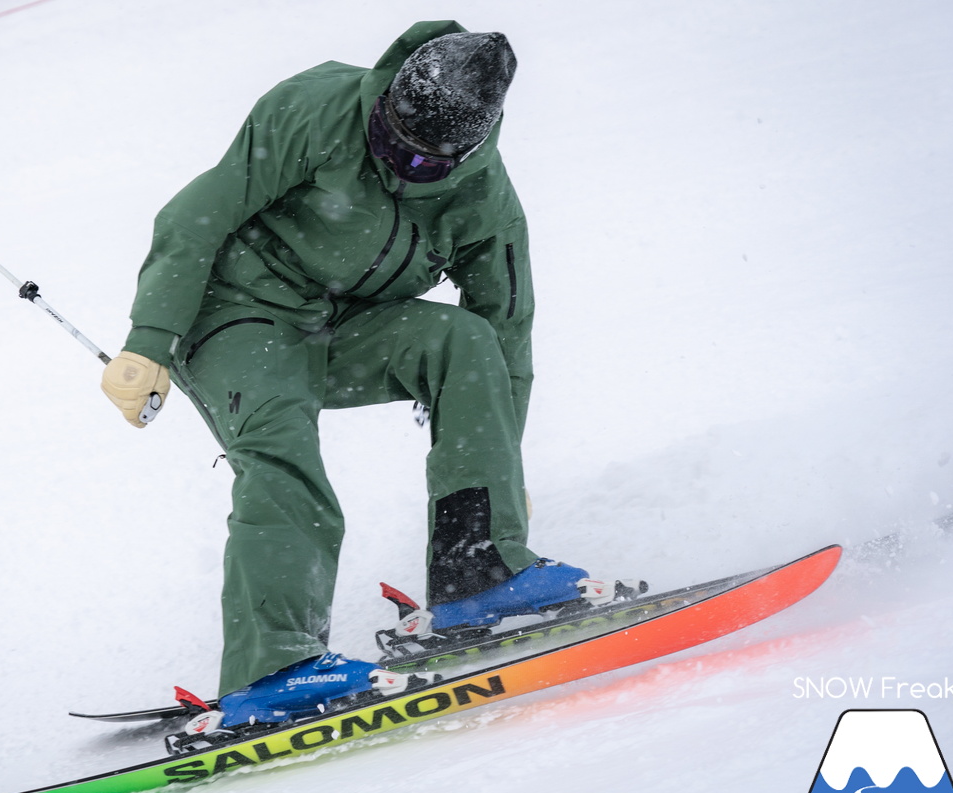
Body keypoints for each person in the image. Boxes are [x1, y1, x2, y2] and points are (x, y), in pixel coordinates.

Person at [101, 22, 610, 735]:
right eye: (390, 136)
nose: (397, 162)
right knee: (284, 461)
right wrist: (150, 340)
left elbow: (509, 331)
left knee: (468, 340)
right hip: (235, 315)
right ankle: (271, 667)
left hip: (342, 332)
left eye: (422, 160)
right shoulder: (317, 108)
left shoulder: (483, 203)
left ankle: (480, 570)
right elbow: (197, 214)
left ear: (465, 151)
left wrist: (501, 462)